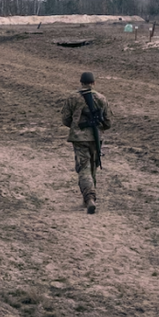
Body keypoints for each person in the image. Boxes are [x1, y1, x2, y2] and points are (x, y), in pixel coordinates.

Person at [60, 71, 111, 214]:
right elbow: (108, 121)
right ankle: (90, 196)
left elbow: (65, 119)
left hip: (79, 138)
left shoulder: (73, 98)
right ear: (93, 83)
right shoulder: (101, 98)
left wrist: (76, 127)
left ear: (81, 82)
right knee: (93, 166)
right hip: (96, 137)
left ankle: (89, 197)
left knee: (84, 168)